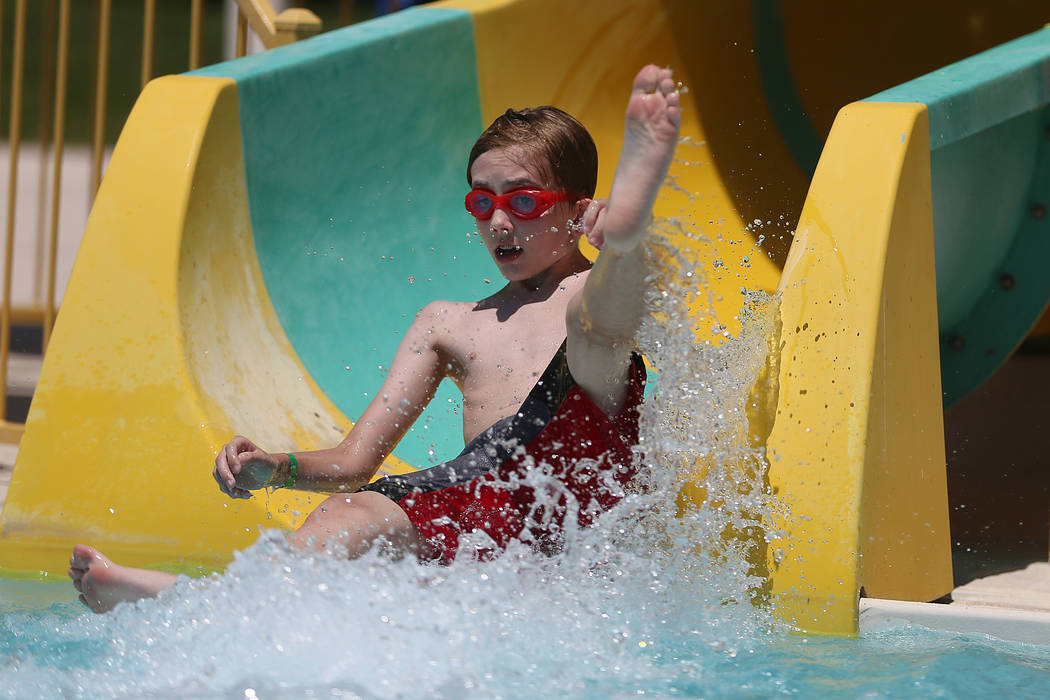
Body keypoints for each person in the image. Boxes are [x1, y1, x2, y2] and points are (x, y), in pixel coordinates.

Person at [69, 65, 681, 613]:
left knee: (595, 324)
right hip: (479, 508)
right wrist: (274, 467)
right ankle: (187, 602)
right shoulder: (450, 323)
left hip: (580, 463)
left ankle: (632, 227)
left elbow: (659, 310)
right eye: (481, 201)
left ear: (577, 210)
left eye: (523, 201)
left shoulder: (589, 293)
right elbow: (354, 461)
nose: (498, 222)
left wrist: (615, 247)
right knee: (345, 515)